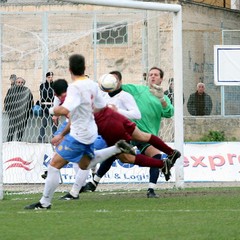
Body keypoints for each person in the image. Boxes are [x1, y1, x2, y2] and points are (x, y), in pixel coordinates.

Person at [24, 54, 136, 210]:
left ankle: (45, 202)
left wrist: (51, 109)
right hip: (91, 131)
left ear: (70, 70)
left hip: (79, 134)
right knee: (85, 164)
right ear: (84, 68)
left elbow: (65, 109)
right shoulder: (92, 85)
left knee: (54, 166)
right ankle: (116, 149)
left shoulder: (75, 88)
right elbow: (101, 106)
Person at [61, 70, 180, 200]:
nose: (152, 76)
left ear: (161, 79)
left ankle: (77, 190)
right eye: (150, 74)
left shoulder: (127, 96)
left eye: (156, 75)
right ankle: (164, 162)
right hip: (119, 130)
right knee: (123, 157)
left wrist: (162, 98)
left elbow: (165, 112)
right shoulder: (134, 90)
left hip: (124, 128)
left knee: (101, 155)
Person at [4, 77, 34, 142]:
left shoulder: (27, 90)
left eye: (22, 82)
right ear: (15, 83)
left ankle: (18, 143)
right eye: (18, 82)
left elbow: (31, 101)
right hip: (13, 114)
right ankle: (9, 143)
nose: (20, 84)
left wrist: (27, 112)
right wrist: (9, 112)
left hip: (23, 115)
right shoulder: (11, 90)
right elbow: (6, 101)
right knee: (11, 130)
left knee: (21, 130)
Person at [38, 71, 57, 143]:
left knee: (54, 124)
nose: (50, 79)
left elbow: (56, 96)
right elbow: (44, 96)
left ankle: (54, 140)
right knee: (44, 123)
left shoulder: (55, 85)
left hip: (53, 106)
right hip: (44, 107)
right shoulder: (42, 86)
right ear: (46, 77)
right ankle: (41, 140)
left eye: (51, 77)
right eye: (49, 77)